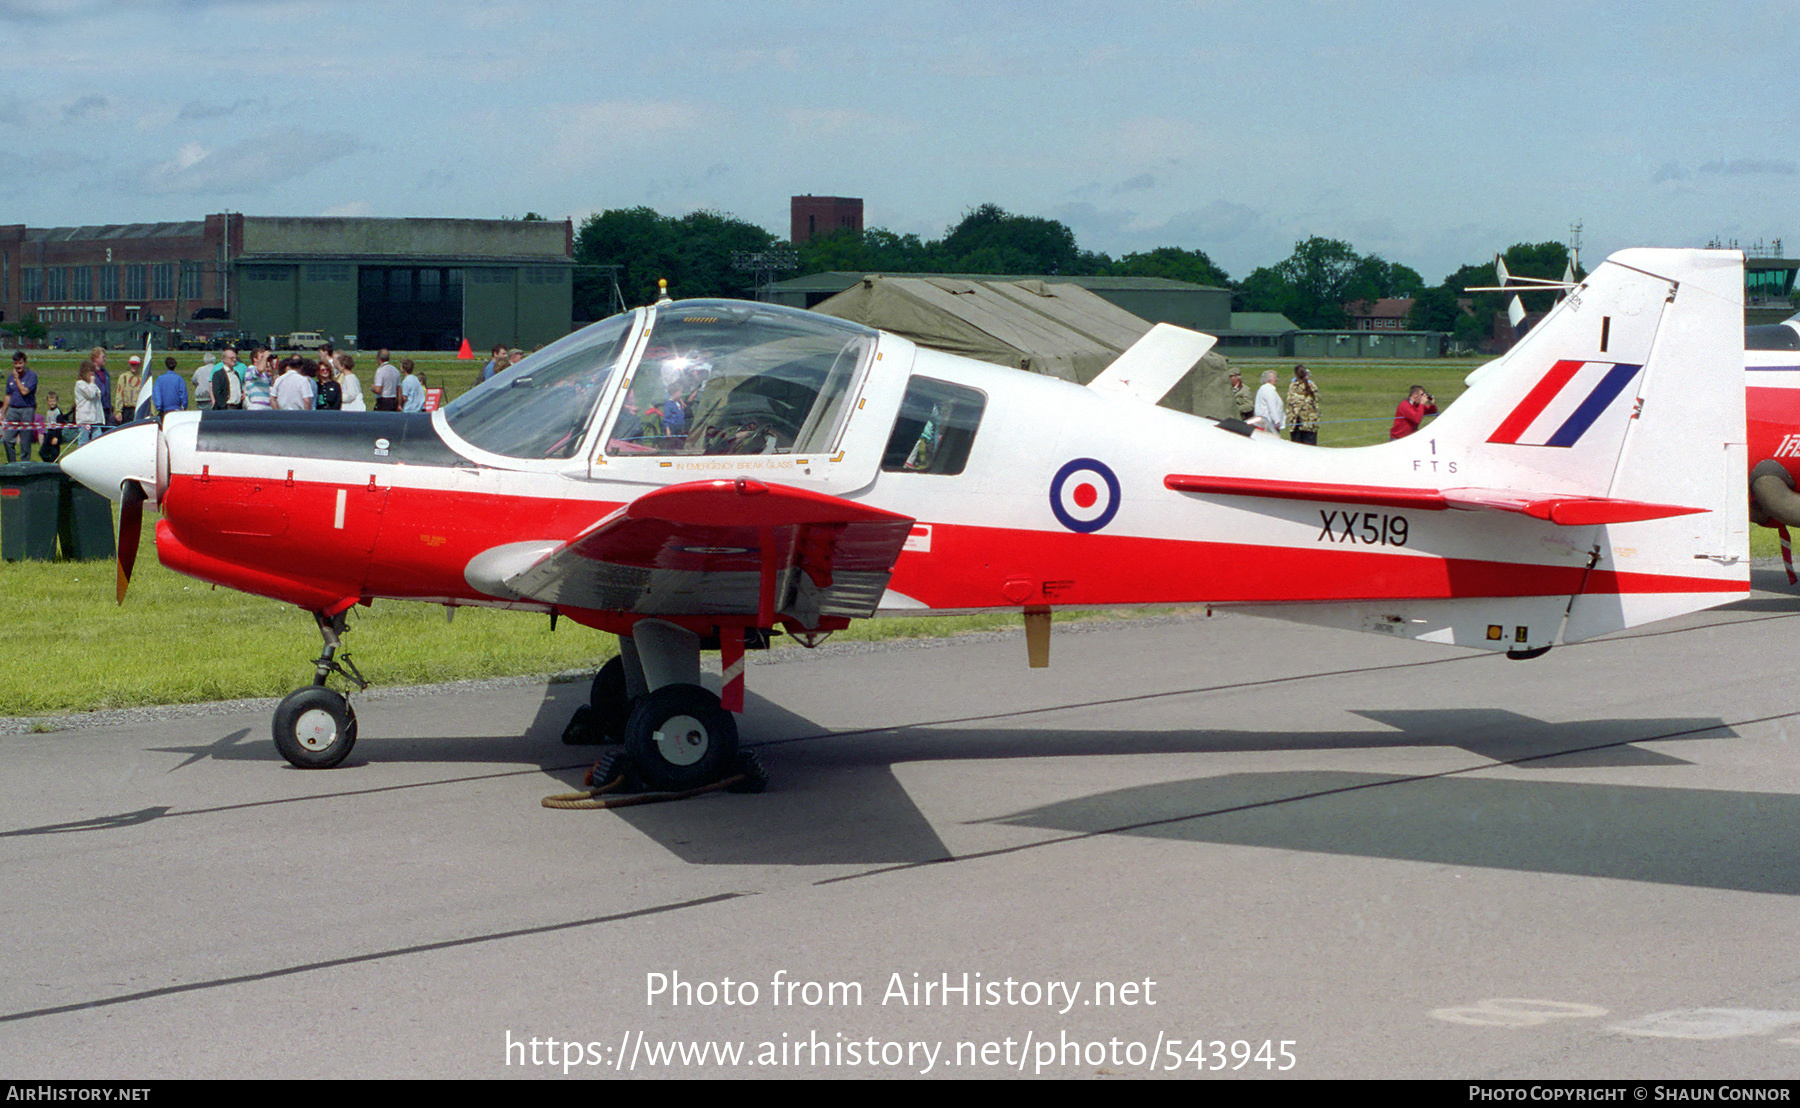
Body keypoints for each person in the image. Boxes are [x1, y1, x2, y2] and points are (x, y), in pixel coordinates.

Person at [4, 350, 37, 462]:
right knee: (7, 439)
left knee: (25, 441)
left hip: (27, 409)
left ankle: (25, 464)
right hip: (13, 410)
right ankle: (12, 464)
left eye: (20, 363)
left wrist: (17, 378)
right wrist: (3, 413)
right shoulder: (10, 377)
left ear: (25, 362)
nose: (18, 366)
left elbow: (24, 392)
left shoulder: (31, 376)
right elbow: (8, 395)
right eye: (15, 363)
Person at [1286, 365, 1320, 445]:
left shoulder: (1293, 386)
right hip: (1309, 423)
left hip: (1296, 422)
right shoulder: (1312, 386)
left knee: (1297, 447)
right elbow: (1318, 398)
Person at [74, 365, 103, 446]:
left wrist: (93, 385)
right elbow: (91, 394)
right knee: (83, 442)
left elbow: (98, 394)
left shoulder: (91, 384)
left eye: (92, 372)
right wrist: (92, 383)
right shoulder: (80, 384)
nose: (92, 374)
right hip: (85, 419)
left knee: (97, 440)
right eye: (89, 372)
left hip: (94, 419)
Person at [1253, 369, 1284, 434]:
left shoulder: (1264, 389)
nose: (1276, 379)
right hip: (1268, 424)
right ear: (1269, 379)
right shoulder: (1268, 389)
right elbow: (1272, 406)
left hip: (1264, 422)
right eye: (1274, 377)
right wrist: (1277, 421)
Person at [38, 391, 64, 463]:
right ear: (47, 402)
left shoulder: (57, 412)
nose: (52, 403)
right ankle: (48, 463)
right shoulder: (49, 411)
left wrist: (56, 436)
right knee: (42, 452)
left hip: (55, 434)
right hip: (49, 433)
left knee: (54, 453)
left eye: (53, 401)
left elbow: (60, 425)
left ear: (57, 401)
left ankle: (54, 465)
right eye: (50, 401)